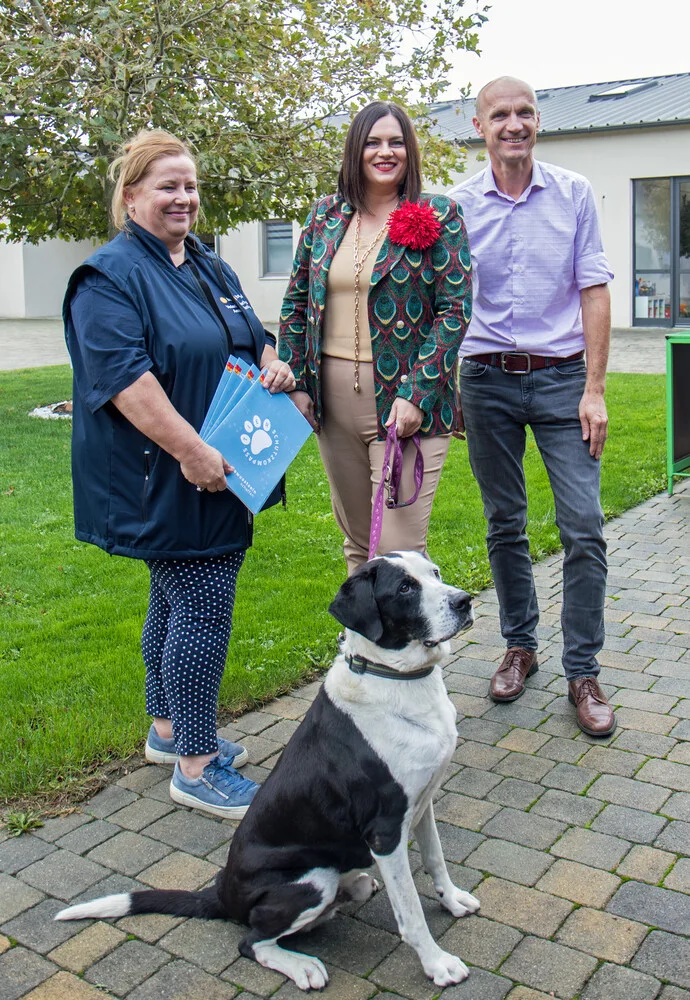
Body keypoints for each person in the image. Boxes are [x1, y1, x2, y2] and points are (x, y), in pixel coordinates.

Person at [63, 129, 296, 818]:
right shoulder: (107, 279)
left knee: (173, 599)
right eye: (167, 186)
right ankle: (196, 766)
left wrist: (272, 355)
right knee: (200, 604)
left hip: (222, 466)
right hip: (165, 474)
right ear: (130, 195)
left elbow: (249, 331)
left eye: (189, 185)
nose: (183, 198)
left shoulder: (207, 264)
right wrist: (191, 451)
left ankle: (167, 733)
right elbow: (126, 382)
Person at [448, 77, 616, 737]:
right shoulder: (456, 205)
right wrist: (450, 384)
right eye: (500, 115)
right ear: (479, 124)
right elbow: (446, 299)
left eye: (524, 113)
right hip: (486, 381)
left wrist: (595, 388)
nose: (513, 125)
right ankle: (520, 645)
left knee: (584, 526)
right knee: (504, 522)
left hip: (561, 378)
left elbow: (594, 289)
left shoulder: (573, 194)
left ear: (537, 121)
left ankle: (583, 670)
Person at [279, 101, 472, 575]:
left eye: (396, 142)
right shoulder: (325, 214)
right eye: (373, 142)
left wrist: (418, 395)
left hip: (406, 403)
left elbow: (455, 311)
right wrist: (299, 384)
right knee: (360, 543)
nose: (385, 152)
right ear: (355, 150)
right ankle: (367, 650)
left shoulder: (438, 213)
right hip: (333, 402)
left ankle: (409, 648)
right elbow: (296, 303)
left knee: (398, 552)